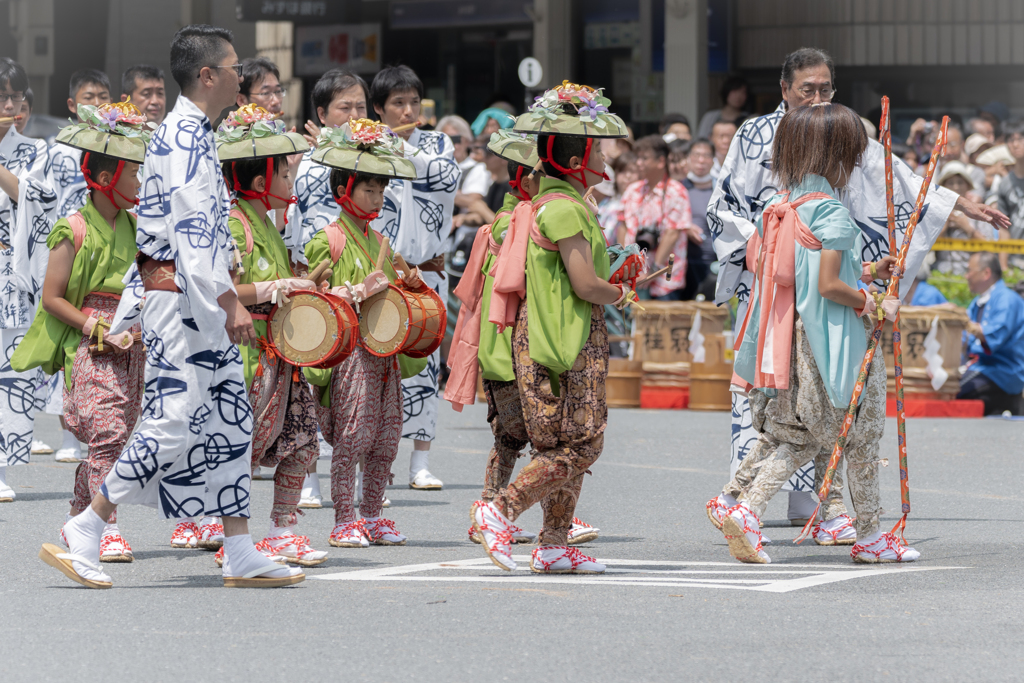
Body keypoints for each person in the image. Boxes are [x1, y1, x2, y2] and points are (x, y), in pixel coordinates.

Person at [39, 24, 304, 589]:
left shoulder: (196, 133)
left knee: (232, 422)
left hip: (196, 299)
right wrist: (230, 298)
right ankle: (88, 523)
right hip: (183, 303)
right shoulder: (183, 136)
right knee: (170, 419)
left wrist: (222, 293)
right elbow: (188, 231)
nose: (242, 76)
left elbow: (201, 228)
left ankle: (237, 545)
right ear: (207, 75)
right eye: (233, 67)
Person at [708, 47, 1008, 528]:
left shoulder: (844, 132)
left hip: (825, 279)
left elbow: (907, 182)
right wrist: (768, 253)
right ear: (785, 90)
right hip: (776, 290)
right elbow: (724, 208)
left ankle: (799, 505)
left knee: (817, 405)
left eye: (826, 88)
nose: (818, 96)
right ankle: (757, 502)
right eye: (808, 89)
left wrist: (964, 207)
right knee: (795, 408)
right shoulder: (755, 135)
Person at [722, 102, 918, 564]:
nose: (855, 163)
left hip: (789, 342)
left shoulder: (779, 206)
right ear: (836, 155)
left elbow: (805, 273)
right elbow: (830, 286)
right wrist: (872, 301)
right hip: (836, 345)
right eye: (851, 153)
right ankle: (868, 535)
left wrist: (866, 270)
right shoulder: (832, 212)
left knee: (799, 435)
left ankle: (743, 508)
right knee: (861, 438)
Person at [470, 82, 634, 574]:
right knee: (582, 443)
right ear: (578, 156)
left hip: (546, 334)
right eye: (599, 150)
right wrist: (621, 292)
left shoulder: (552, 202)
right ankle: (499, 511)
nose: (605, 160)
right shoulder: (564, 207)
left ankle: (555, 543)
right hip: (563, 338)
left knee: (563, 443)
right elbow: (586, 285)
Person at [445, 129, 600, 547]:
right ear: (525, 181)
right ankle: (499, 511)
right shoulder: (527, 218)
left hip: (503, 346)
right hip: (526, 346)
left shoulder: (507, 220)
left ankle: (506, 512)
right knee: (551, 439)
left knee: (515, 438)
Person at [10, 101, 149, 561]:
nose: (140, 182)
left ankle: (78, 516)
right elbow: (52, 298)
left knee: (117, 438)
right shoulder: (72, 228)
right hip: (87, 346)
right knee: (108, 432)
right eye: (133, 173)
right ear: (107, 178)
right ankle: (105, 527)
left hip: (132, 345)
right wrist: (98, 327)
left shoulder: (139, 228)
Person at [302, 118, 426, 548]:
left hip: (385, 347)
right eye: (369, 188)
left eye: (380, 189)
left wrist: (407, 284)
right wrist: (354, 291)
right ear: (343, 192)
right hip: (351, 348)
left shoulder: (380, 240)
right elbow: (313, 298)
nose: (378, 196)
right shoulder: (327, 239)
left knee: (388, 432)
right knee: (353, 435)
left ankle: (373, 514)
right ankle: (343, 518)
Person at [216, 104, 327, 565]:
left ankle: (281, 530)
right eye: (284, 174)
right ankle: (232, 540)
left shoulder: (268, 224)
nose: (291, 182)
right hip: (248, 354)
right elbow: (219, 288)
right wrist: (275, 287)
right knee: (242, 447)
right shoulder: (236, 225)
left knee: (303, 440)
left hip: (282, 354)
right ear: (262, 183)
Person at [370, 65, 460, 490]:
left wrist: (398, 147)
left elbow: (445, 179)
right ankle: (375, 459)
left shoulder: (437, 142)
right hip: (377, 276)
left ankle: (419, 461)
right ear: (379, 109)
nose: (408, 111)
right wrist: (382, 146)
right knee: (376, 365)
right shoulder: (368, 147)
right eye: (397, 104)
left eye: (413, 102)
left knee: (425, 365)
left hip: (425, 274)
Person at [0, 58, 56, 503]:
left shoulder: (36, 150)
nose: (5, 104)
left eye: (11, 97)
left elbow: (37, 201)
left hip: (10, 276)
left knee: (11, 376)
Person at [285, 69, 369, 270]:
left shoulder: (377, 159)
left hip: (364, 271)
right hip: (312, 275)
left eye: (361, 107)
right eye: (345, 107)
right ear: (322, 114)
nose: (355, 116)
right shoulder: (300, 160)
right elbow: (285, 226)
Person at [619, 134, 693, 300]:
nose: (638, 163)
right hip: (633, 278)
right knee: (633, 326)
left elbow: (672, 233)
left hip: (665, 281)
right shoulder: (633, 190)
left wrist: (651, 270)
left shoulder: (676, 191)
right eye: (637, 158)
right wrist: (623, 264)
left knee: (662, 325)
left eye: (644, 158)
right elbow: (623, 226)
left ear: (661, 161)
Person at [957, 252, 1024, 416]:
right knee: (944, 382)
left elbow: (995, 334)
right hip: (982, 367)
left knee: (954, 390)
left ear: (986, 273)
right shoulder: (978, 301)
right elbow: (964, 338)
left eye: (970, 271)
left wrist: (966, 325)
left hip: (1002, 369)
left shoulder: (1007, 299)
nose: (966, 276)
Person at [934, 161, 992, 276]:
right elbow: (925, 247)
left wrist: (967, 228)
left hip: (971, 275)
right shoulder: (935, 212)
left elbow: (990, 248)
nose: (956, 187)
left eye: (960, 182)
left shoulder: (978, 213)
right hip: (941, 275)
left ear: (967, 186)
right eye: (951, 183)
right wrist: (944, 226)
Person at [681, 138, 716, 300]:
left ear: (713, 160)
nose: (701, 160)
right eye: (696, 155)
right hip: (685, 263)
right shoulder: (678, 188)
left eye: (706, 155)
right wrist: (685, 227)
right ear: (688, 158)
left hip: (714, 264)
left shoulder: (720, 189)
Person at [993, 119, 1024, 269]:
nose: (1015, 144)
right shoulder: (1005, 183)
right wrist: (1004, 267)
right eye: (1011, 140)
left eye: (1020, 138)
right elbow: (1004, 229)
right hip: (1016, 262)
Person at [597, 151, 637, 244]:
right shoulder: (606, 203)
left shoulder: (642, 202)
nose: (628, 176)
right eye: (622, 171)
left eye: (632, 171)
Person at [696, 75, 750, 140]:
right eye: (734, 91)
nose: (738, 96)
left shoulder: (749, 119)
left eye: (743, 92)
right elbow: (701, 139)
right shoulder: (710, 117)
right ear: (726, 92)